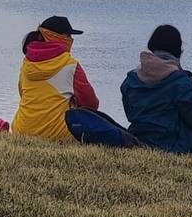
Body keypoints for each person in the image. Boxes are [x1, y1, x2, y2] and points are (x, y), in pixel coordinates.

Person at [13, 13, 135, 147]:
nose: (71, 39)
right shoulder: (70, 65)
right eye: (68, 36)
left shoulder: (26, 63)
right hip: (58, 135)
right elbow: (91, 103)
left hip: (21, 130)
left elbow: (23, 94)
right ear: (59, 37)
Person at [120, 23, 192, 156]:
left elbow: (130, 115)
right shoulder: (182, 83)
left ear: (151, 47)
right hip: (175, 149)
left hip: (138, 144)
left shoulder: (130, 80)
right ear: (179, 52)